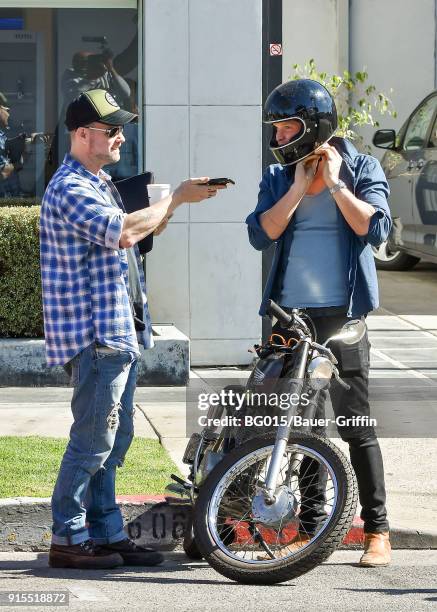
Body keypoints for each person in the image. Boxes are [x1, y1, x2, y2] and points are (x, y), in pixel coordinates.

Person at [39, 88, 225, 570]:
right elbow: (120, 231)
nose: (121, 136)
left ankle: (106, 532)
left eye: (121, 127)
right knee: (92, 441)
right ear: (82, 135)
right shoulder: (71, 186)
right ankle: (68, 535)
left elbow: (133, 232)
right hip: (95, 337)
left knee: (112, 443)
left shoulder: (98, 181)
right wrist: (178, 196)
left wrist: (172, 205)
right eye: (111, 129)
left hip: (114, 335)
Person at [246, 79, 392, 567]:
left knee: (355, 423)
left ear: (313, 127)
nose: (280, 137)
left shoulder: (361, 167)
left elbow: (374, 229)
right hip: (290, 317)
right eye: (278, 129)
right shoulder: (277, 174)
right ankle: (309, 530)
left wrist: (332, 183)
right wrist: (295, 189)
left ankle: (377, 531)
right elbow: (259, 234)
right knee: (300, 426)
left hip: (341, 317)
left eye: (288, 127)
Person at [0, 92, 22, 198]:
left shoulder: (2, 135)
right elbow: (3, 172)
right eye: (6, 109)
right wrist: (20, 162)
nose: (9, 113)